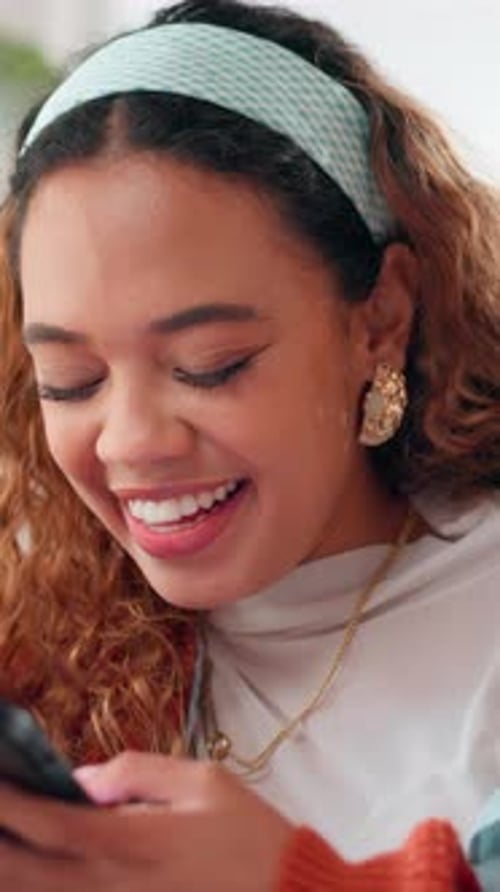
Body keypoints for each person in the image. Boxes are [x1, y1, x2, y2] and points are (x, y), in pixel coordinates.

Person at [0, 0, 498, 888]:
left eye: (210, 364)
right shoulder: (47, 655)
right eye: (70, 381)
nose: (131, 442)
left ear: (379, 317)